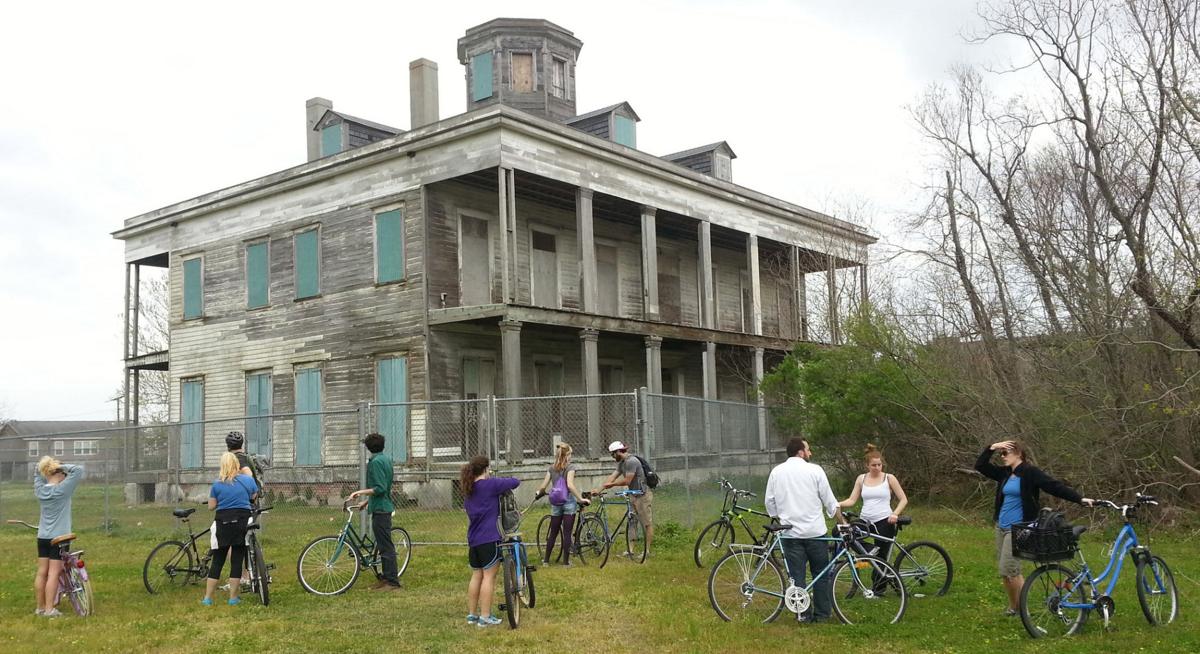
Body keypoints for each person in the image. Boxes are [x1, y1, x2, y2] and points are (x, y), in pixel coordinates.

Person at [974, 439, 1094, 616]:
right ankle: (1016, 607)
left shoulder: (1030, 472)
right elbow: (980, 466)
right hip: (1001, 526)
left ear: (1018, 454)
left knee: (1008, 569)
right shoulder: (1005, 473)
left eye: (1005, 453)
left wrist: (1079, 499)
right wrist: (991, 448)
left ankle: (1021, 609)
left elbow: (1054, 487)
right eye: (1001, 454)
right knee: (1008, 572)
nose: (1002, 457)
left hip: (1019, 528)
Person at [764, 437, 841, 623]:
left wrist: (780, 515)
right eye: (808, 449)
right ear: (800, 452)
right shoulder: (815, 470)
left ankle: (802, 614)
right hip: (815, 532)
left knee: (796, 576)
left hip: (790, 533)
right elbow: (829, 500)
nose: (810, 453)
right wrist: (841, 521)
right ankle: (822, 615)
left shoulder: (776, 472)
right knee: (820, 573)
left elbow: (769, 502)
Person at [462, 455, 519, 627]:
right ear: (486, 469)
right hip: (489, 538)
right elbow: (514, 482)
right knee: (489, 577)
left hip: (474, 540)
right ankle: (485, 616)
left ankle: (472, 614)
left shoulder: (469, 489)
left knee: (476, 575)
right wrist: (493, 477)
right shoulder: (491, 485)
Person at [202, 452, 258, 606]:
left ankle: (208, 598)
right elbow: (253, 496)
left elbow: (211, 506)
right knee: (237, 560)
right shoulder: (248, 480)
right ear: (237, 464)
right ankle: (233, 598)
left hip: (222, 523)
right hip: (242, 522)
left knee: (217, 561)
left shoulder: (217, 484)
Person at [838, 443, 908, 564]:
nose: (877, 467)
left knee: (881, 562)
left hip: (884, 520)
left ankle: (882, 573)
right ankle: (869, 550)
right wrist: (838, 504)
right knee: (844, 532)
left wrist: (895, 514)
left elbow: (903, 499)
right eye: (873, 465)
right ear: (867, 465)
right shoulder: (861, 478)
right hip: (865, 520)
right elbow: (852, 500)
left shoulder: (889, 478)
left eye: (879, 465)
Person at [32, 456, 84, 617]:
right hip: (60, 537)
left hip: (42, 537)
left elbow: (37, 472)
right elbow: (78, 470)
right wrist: (61, 466)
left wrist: (48, 467)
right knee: (54, 573)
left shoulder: (40, 491)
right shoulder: (63, 490)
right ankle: (50, 609)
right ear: (59, 473)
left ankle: (40, 607)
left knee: (42, 572)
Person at [348, 432, 400, 590]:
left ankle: (392, 581)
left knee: (386, 547)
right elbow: (384, 486)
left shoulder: (375, 462)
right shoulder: (385, 459)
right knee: (383, 545)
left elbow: (380, 488)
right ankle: (385, 577)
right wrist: (366, 502)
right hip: (381, 505)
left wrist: (359, 492)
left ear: (368, 447)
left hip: (381, 509)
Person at [533, 442, 590, 566]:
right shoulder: (571, 467)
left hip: (556, 502)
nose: (571, 456)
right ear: (567, 455)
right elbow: (570, 485)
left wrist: (539, 492)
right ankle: (565, 562)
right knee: (567, 533)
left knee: (553, 532)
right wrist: (580, 499)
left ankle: (546, 561)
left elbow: (543, 486)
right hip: (568, 501)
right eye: (570, 454)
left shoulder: (551, 468)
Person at [595, 440, 653, 557]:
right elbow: (612, 477)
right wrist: (598, 490)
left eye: (612, 454)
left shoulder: (631, 461)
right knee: (632, 522)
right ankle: (630, 551)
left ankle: (646, 551)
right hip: (633, 495)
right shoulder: (622, 463)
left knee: (647, 523)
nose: (612, 457)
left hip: (642, 495)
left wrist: (612, 485)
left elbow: (627, 481)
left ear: (618, 452)